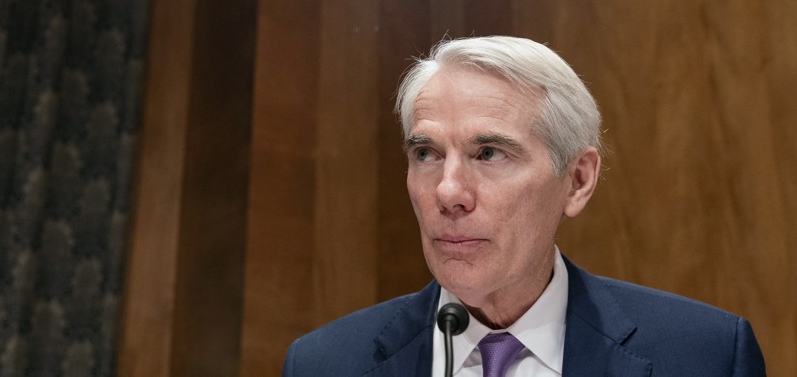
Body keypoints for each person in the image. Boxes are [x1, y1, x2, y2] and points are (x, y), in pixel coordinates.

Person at [282, 36, 766, 376]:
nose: (448, 192)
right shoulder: (324, 363)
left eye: (489, 153)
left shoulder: (706, 356)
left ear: (577, 181)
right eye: (426, 154)